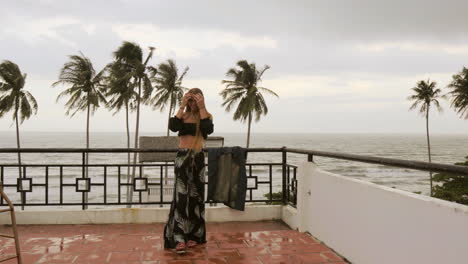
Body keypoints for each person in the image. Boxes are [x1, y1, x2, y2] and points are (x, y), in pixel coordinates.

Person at [163, 88, 214, 253]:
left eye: (195, 100)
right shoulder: (182, 116)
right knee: (182, 197)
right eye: (191, 100)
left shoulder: (205, 116)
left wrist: (202, 106)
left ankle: (195, 236)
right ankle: (179, 238)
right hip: (182, 158)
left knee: (196, 196)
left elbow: (208, 129)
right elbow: (173, 126)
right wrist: (182, 105)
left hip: (198, 158)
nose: (193, 103)